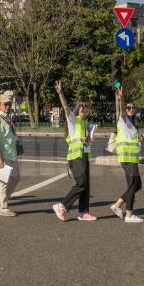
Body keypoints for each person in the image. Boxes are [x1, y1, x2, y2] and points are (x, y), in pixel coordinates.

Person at [51, 80, 97, 222]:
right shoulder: (73, 120)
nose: (84, 109)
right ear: (78, 108)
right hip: (75, 157)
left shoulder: (85, 124)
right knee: (81, 183)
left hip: (83, 155)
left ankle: (83, 212)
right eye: (81, 107)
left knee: (86, 185)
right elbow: (65, 108)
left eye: (86, 107)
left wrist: (88, 140)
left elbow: (83, 141)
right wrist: (60, 93)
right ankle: (62, 205)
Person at [109, 87, 144, 223]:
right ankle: (129, 215)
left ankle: (117, 205)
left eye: (132, 108)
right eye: (128, 108)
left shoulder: (134, 126)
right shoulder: (123, 121)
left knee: (137, 185)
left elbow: (135, 139)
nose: (130, 109)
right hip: (127, 158)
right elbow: (122, 112)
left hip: (132, 158)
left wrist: (141, 139)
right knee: (132, 185)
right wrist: (121, 99)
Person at [0, 92, 21, 217]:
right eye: (5, 104)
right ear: (0, 104)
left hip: (11, 153)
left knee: (15, 178)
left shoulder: (8, 118)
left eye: (9, 104)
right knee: (3, 183)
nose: (7, 106)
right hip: (3, 155)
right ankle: (3, 208)